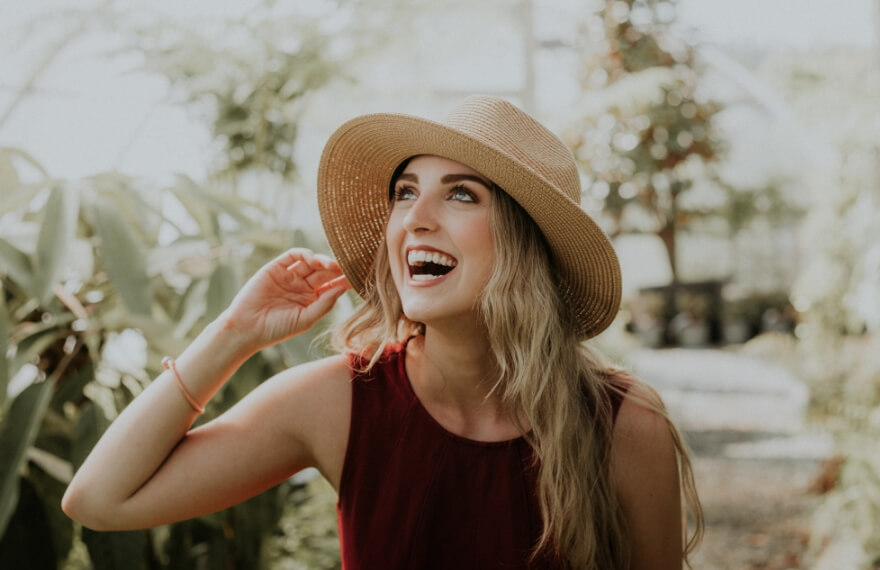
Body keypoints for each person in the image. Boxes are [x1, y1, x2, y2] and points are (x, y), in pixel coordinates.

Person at [62, 95, 702, 569]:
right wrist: (232, 333)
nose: (415, 218)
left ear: (523, 243)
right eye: (404, 192)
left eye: (460, 196)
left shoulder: (621, 423)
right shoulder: (339, 402)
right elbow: (99, 500)